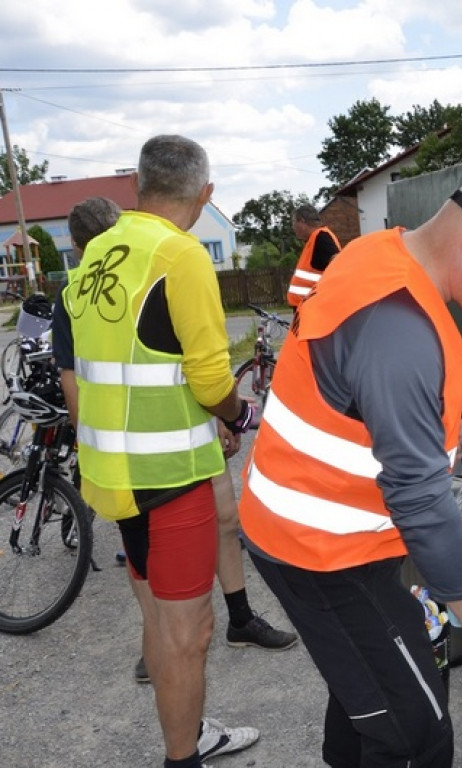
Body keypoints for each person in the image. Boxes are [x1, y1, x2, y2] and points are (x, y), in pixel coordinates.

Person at [237, 172, 462, 767]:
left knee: (369, 693)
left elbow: (354, 384)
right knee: (414, 732)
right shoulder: (401, 327)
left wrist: (439, 426)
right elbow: (417, 497)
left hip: (298, 528)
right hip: (322, 552)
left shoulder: (376, 254)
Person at [61, 137, 262, 768]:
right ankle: (183, 756)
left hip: (114, 476)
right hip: (171, 477)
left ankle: (190, 734)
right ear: (205, 194)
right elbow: (209, 379)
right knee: (189, 632)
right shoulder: (180, 254)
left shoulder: (99, 250)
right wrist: (239, 414)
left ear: (136, 187)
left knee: (156, 617)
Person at [55, 198, 299, 686]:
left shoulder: (149, 271)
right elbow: (75, 380)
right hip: (145, 460)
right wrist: (94, 446)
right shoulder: (79, 292)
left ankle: (239, 618)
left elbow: (182, 363)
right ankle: (161, 649)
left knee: (225, 522)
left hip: (187, 435)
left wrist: (219, 420)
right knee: (159, 577)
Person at [287, 204, 341, 307]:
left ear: (302, 221)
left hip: (313, 306)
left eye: (294, 223)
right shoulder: (314, 239)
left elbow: (337, 264)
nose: (293, 227)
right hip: (307, 305)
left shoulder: (321, 237)